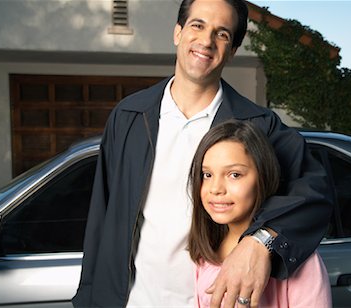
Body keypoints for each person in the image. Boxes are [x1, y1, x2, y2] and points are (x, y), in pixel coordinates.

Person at [72, 0, 333, 307]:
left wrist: (261, 240)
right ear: (178, 33)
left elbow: (316, 192)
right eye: (198, 26)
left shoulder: (258, 126)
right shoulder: (128, 116)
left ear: (232, 51)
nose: (206, 41)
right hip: (133, 301)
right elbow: (102, 216)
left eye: (222, 34)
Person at [188, 120, 332, 307]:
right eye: (207, 175)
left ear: (263, 177)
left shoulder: (297, 259)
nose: (215, 189)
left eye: (234, 175)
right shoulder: (205, 252)